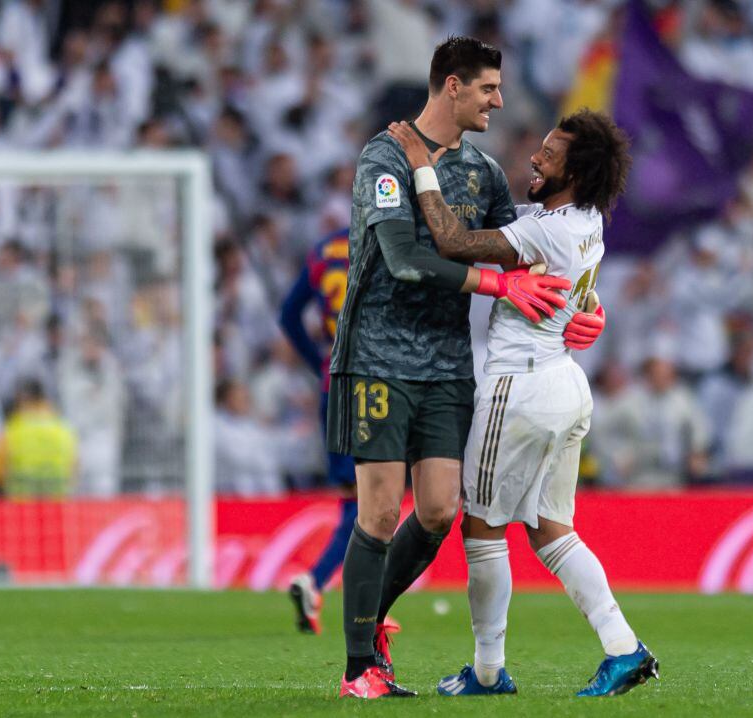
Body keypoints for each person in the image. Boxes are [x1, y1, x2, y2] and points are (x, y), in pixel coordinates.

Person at [328, 36, 600, 699]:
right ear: (452, 85)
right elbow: (403, 258)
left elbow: (532, 254)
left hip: (449, 362)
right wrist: (496, 288)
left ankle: (374, 614)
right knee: (383, 510)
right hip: (379, 355)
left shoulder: (481, 173)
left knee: (442, 508)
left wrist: (588, 309)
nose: (499, 101)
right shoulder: (383, 157)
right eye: (487, 89)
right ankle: (358, 665)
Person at [386, 108, 654, 698]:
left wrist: (421, 166)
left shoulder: (546, 230)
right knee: (553, 532)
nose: (535, 157)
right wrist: (589, 311)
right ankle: (624, 648)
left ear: (576, 172)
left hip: (521, 387)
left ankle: (487, 671)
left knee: (482, 527)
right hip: (564, 383)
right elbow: (571, 277)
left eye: (550, 155)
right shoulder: (584, 221)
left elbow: (452, 243)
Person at [279, 227, 359, 635]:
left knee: (355, 500)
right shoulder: (387, 238)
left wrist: (317, 364)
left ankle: (322, 586)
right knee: (373, 501)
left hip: (334, 384)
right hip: (375, 382)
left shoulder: (323, 248)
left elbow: (289, 315)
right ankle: (322, 583)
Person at [0, 378, 78, 499]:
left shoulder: (12, 430)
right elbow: (74, 471)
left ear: (22, 399)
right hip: (57, 508)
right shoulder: (63, 430)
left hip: (20, 509)